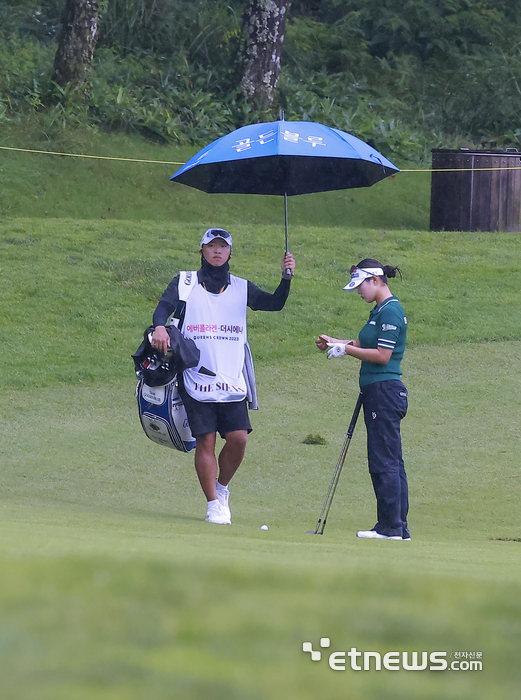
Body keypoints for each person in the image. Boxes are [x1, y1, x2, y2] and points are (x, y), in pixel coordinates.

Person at [151, 228, 296, 525]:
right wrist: (160, 327)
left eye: (222, 246)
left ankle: (222, 487)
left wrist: (286, 277)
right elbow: (163, 308)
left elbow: (274, 303)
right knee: (205, 441)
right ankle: (213, 505)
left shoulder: (242, 287)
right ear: (202, 250)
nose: (217, 251)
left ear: (230, 252)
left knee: (239, 439)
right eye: (211, 246)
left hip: (231, 378)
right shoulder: (186, 281)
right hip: (195, 375)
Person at [316, 259, 410, 541]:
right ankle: (397, 527)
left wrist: (345, 351)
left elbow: (382, 355)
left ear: (375, 280)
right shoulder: (378, 311)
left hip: (384, 391)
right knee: (391, 459)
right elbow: (366, 344)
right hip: (377, 390)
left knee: (384, 460)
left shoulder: (391, 311)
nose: (358, 292)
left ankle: (391, 527)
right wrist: (337, 343)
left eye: (360, 286)